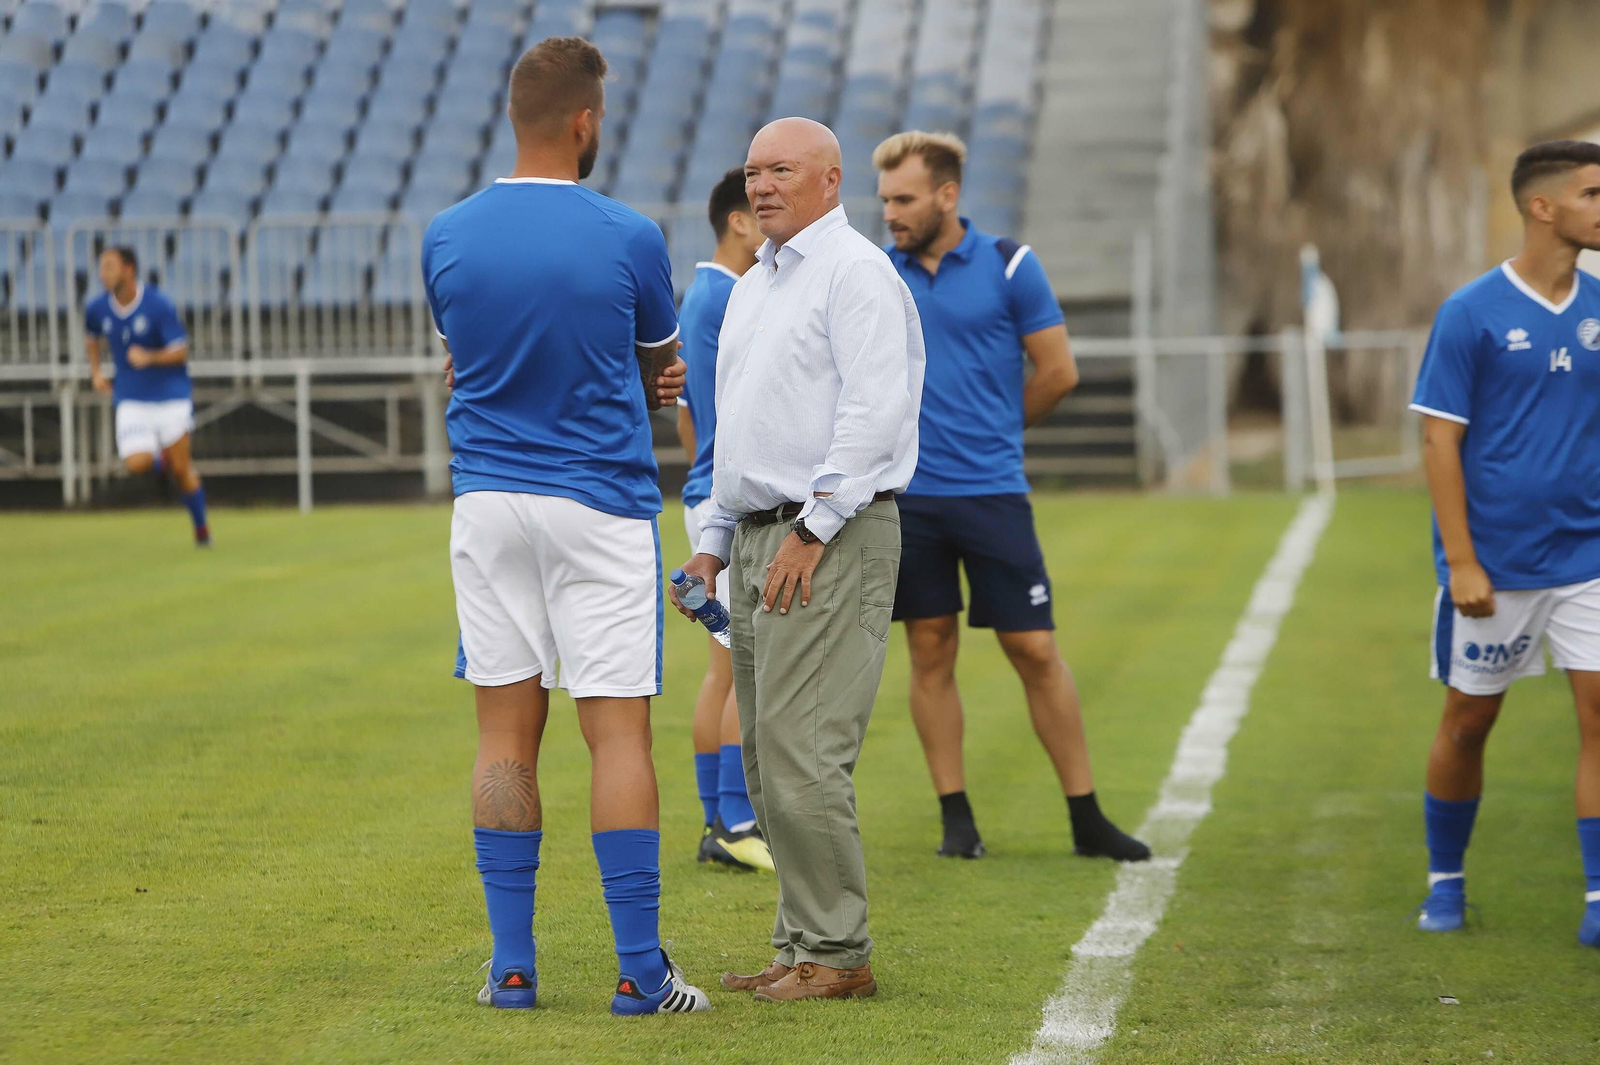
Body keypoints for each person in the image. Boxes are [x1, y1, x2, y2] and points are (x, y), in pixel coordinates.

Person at [422, 37, 710, 1014]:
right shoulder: (628, 233)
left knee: (504, 731)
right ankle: (638, 971)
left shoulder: (446, 233)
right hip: (597, 503)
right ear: (586, 121)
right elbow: (655, 364)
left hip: (487, 502)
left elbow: (465, 361)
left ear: (515, 115)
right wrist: (656, 378)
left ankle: (511, 968)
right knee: (617, 731)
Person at [672, 117, 925, 1003]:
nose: (763, 186)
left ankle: (838, 951)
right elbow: (737, 432)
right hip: (752, 534)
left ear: (830, 177)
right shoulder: (755, 286)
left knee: (805, 746)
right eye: (752, 172)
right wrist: (711, 545)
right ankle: (798, 942)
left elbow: (873, 413)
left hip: (828, 535)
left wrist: (813, 530)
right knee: (767, 754)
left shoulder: (855, 272)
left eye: (781, 169)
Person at [872, 131, 1149, 863]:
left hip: (993, 492)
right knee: (929, 649)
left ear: (947, 195)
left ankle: (1086, 816)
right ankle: (955, 818)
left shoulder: (1010, 264)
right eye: (885, 200)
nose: (891, 213)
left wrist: (996, 428)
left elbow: (1058, 371)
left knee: (1034, 646)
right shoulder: (876, 274)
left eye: (904, 199)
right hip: (911, 498)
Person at [1409, 139, 1600, 943]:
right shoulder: (1471, 312)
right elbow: (1438, 440)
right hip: (1496, 563)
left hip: (1589, 555)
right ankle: (1445, 881)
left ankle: (1598, 898)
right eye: (1595, 192)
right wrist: (1461, 560)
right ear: (1542, 206)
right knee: (1466, 722)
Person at [674, 167, 774, 873]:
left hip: (706, 495)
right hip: (727, 507)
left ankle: (717, 819)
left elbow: (686, 413)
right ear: (738, 221)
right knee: (746, 669)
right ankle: (739, 821)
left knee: (721, 669)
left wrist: (705, 474)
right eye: (761, 211)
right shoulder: (732, 296)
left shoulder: (702, 294)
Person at [85, 246, 210, 546]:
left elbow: (181, 351)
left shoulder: (157, 304)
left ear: (129, 269)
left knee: (183, 470)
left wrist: (150, 357)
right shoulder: (97, 308)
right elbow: (92, 337)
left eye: (110, 267)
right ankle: (161, 460)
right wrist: (96, 371)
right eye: (102, 267)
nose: (103, 274)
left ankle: (201, 529)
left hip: (170, 396)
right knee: (137, 462)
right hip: (131, 397)